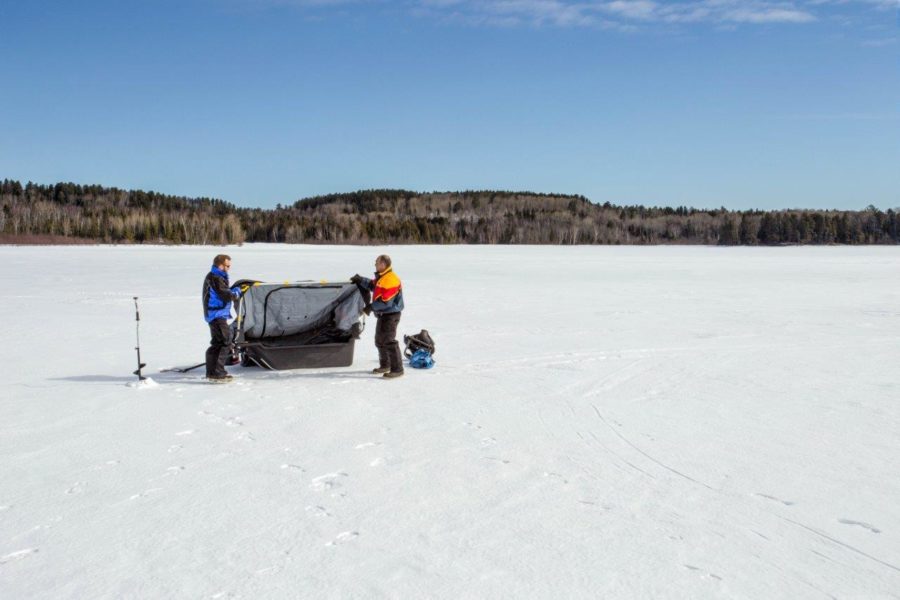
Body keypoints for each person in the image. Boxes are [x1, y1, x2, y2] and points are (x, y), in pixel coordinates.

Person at [351, 255, 404, 379]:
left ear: (383, 264)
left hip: (391, 315)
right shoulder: (383, 277)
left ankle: (397, 369)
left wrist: (370, 307)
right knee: (380, 340)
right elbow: (372, 285)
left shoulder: (391, 280)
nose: (375, 264)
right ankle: (385, 365)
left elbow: (386, 302)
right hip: (383, 314)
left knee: (389, 341)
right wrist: (360, 279)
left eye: (377, 262)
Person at [202, 254, 244, 381]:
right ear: (220, 265)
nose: (228, 268)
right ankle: (218, 373)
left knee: (217, 343)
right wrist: (237, 292)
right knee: (225, 342)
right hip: (217, 314)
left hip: (215, 314)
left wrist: (233, 290)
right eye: (227, 265)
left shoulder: (214, 276)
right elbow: (226, 295)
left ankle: (211, 372)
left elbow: (223, 291)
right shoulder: (216, 277)